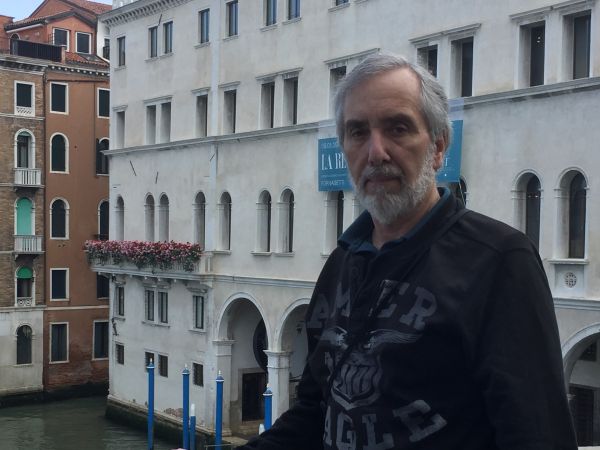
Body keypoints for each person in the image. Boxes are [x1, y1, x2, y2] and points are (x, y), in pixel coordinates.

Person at [238, 53, 577, 450]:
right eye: (358, 132)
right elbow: (317, 411)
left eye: (397, 128)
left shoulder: (499, 260)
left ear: (438, 147)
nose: (376, 152)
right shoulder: (341, 263)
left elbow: (537, 435)